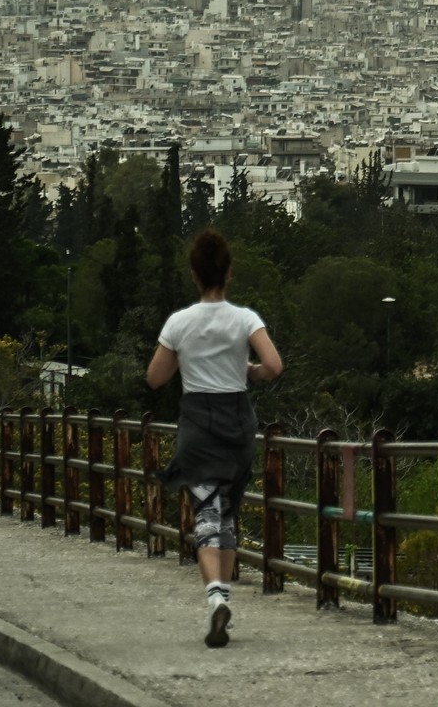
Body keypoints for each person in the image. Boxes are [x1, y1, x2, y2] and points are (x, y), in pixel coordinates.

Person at [147, 229, 283, 648]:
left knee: (205, 514)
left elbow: (155, 378)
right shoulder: (245, 319)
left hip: (198, 423)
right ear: (228, 271)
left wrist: (187, 361)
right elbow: (274, 365)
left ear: (194, 275)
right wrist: (250, 371)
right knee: (227, 514)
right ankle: (223, 595)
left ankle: (216, 597)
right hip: (237, 421)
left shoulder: (179, 323)